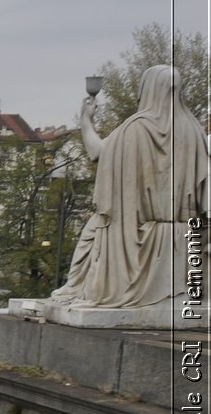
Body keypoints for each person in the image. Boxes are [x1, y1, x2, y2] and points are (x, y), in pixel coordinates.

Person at [50, 64, 209, 310]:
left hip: (135, 231)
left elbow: (96, 152)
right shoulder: (195, 131)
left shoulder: (136, 128)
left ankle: (73, 286)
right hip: (186, 232)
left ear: (147, 91)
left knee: (95, 226)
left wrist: (86, 119)